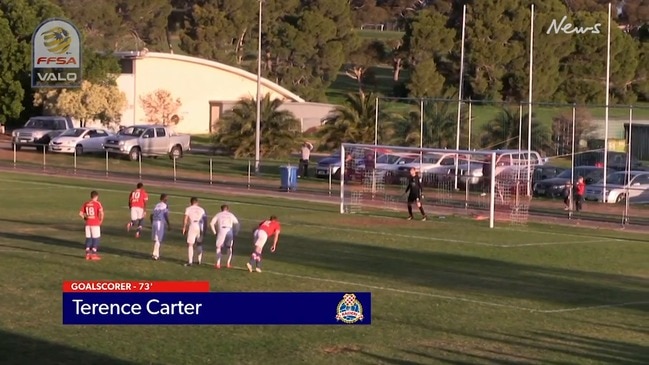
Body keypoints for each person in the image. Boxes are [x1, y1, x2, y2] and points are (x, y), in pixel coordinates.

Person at [209, 204, 240, 269]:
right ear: (228, 209)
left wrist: (214, 232)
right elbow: (237, 224)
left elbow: (211, 223)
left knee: (218, 247)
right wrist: (235, 233)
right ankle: (228, 263)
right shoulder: (231, 215)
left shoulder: (218, 214)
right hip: (229, 231)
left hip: (222, 231)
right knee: (229, 247)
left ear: (221, 209)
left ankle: (218, 264)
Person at [79, 190, 104, 260]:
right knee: (96, 239)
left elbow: (80, 214)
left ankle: (87, 254)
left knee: (88, 238)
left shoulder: (86, 203)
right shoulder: (97, 203)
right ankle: (93, 254)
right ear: (96, 196)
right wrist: (101, 220)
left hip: (88, 224)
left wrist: (85, 218)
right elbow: (101, 213)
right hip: (95, 223)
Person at [182, 197, 207, 266]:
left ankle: (190, 261)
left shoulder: (188, 209)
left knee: (190, 244)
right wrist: (205, 229)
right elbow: (205, 219)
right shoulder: (201, 209)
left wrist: (184, 227)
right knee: (199, 243)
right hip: (200, 226)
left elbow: (185, 219)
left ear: (191, 202)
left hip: (192, 225)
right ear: (197, 202)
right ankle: (199, 260)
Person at [150, 194, 171, 260]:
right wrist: (168, 224)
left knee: (156, 239)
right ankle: (155, 255)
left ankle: (156, 254)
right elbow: (165, 215)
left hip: (154, 221)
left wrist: (152, 223)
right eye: (166, 198)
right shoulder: (165, 205)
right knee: (158, 239)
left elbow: (151, 215)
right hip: (159, 222)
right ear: (164, 199)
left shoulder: (157, 205)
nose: (167, 199)